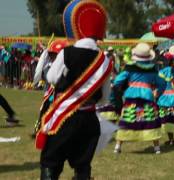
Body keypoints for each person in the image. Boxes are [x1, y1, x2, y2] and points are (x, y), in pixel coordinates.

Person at [35, 1, 113, 179]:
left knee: (50, 162)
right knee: (82, 166)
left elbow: (52, 78)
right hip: (89, 121)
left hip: (65, 118)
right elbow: (104, 98)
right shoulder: (105, 60)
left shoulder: (66, 53)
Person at [113, 43, 162, 154]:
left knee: (127, 119)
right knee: (150, 119)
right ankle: (157, 148)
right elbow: (161, 83)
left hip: (131, 97)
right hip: (147, 96)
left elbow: (117, 81)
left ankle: (117, 147)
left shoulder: (129, 68)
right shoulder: (153, 69)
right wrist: (157, 92)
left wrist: (124, 87)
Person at [32, 39, 68, 138]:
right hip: (49, 93)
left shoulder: (66, 67)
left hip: (61, 95)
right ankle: (38, 130)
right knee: (43, 110)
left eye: (54, 55)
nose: (52, 57)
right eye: (51, 55)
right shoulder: (49, 66)